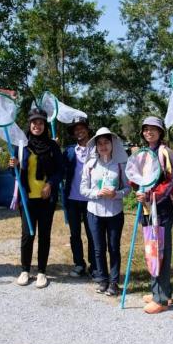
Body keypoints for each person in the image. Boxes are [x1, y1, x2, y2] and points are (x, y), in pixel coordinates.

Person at [10, 108, 62, 289]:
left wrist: (50, 185)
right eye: (34, 122)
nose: (37, 126)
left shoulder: (52, 146)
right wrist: (13, 165)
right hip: (27, 199)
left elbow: (60, 170)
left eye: (40, 123)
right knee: (27, 235)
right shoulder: (21, 145)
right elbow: (14, 173)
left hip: (46, 199)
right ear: (29, 124)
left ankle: (41, 271)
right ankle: (25, 270)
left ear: (45, 125)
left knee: (44, 235)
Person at [135, 116, 173, 314]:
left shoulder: (165, 152)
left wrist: (150, 195)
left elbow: (172, 181)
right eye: (146, 129)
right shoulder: (143, 152)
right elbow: (136, 176)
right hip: (146, 209)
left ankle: (161, 298)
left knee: (160, 251)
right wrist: (136, 187)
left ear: (160, 131)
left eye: (153, 128)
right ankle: (159, 292)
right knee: (151, 250)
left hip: (160, 210)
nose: (149, 132)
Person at [80, 127, 130, 296]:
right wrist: (97, 193)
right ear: (96, 146)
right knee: (98, 248)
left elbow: (127, 188)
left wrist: (116, 194)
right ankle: (102, 279)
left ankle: (114, 282)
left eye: (106, 142)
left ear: (112, 144)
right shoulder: (90, 165)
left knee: (114, 248)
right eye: (99, 143)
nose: (103, 146)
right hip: (94, 212)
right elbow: (83, 189)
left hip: (115, 212)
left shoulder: (120, 165)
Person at [63, 116, 96, 278]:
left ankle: (94, 266)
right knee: (75, 234)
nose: (79, 131)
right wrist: (55, 149)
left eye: (82, 128)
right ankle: (79, 264)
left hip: (91, 200)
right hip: (72, 199)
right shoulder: (69, 151)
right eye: (76, 129)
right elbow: (59, 168)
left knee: (92, 234)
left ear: (87, 130)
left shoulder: (96, 148)